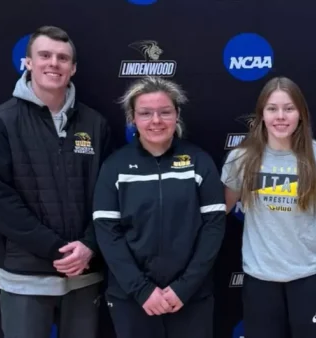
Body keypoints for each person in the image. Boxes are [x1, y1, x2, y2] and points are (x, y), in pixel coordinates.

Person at [0, 26, 112, 338]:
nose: (54, 63)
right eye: (45, 55)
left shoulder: (96, 124)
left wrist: (89, 246)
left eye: (63, 57)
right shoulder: (0, 121)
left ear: (73, 68)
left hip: (84, 274)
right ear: (27, 62)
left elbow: (108, 197)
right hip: (24, 275)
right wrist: (55, 249)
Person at [221, 76, 316, 338]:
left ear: (301, 113)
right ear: (261, 114)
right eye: (272, 108)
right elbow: (220, 211)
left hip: (307, 277)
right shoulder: (241, 158)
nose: (281, 116)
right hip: (260, 279)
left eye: (289, 108)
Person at [92, 76, 226, 338]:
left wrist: (184, 288)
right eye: (145, 113)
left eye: (165, 112)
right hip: (132, 299)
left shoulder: (199, 161)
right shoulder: (114, 167)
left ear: (177, 115)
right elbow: (108, 233)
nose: (156, 120)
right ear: (132, 118)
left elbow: (213, 227)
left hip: (190, 298)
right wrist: (142, 290)